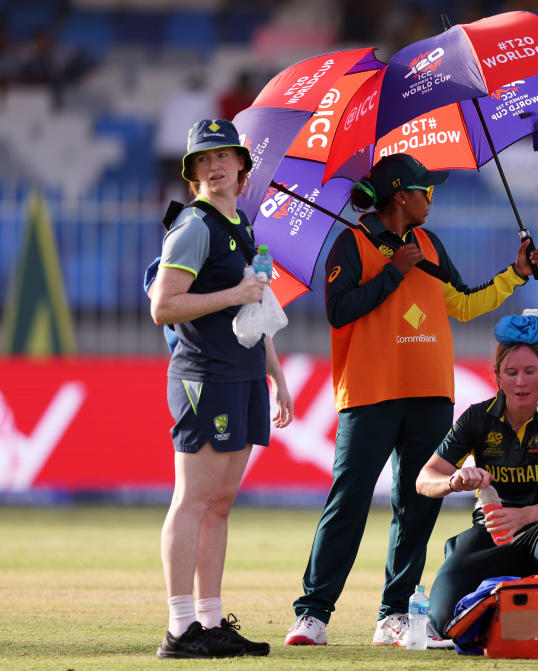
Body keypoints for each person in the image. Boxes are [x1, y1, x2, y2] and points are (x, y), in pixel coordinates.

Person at [285, 152, 538, 648]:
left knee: (417, 505)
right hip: (369, 395)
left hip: (430, 395)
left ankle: (395, 614)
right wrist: (392, 274)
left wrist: (514, 274)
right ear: (402, 195)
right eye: (426, 190)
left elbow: (463, 303)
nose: (432, 197)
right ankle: (313, 614)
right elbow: (339, 312)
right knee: (349, 501)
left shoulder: (428, 242)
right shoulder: (352, 243)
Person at [150, 118, 293, 659]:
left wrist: (274, 374)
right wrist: (235, 291)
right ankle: (180, 628)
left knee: (222, 503)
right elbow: (162, 305)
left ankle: (208, 621)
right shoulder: (195, 226)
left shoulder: (242, 228)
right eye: (202, 161)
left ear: (242, 167)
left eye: (222, 157)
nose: (213, 167)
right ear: (193, 174)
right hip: (204, 377)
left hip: (241, 375)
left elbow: (256, 309)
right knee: (193, 500)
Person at [415, 311, 538, 637]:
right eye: (512, 372)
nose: (521, 381)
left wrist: (524, 516)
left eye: (530, 371)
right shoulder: (477, 418)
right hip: (491, 531)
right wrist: (453, 482)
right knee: (440, 621)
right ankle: (502, 613)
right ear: (497, 376)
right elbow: (424, 479)